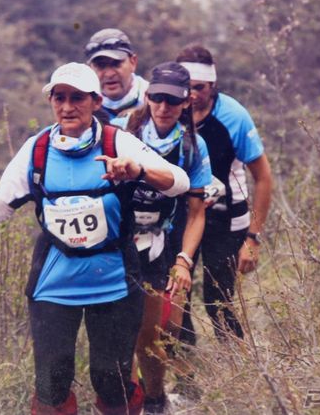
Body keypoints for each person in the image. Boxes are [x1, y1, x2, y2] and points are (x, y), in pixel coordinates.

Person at [0, 62, 190, 415]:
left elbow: (179, 182)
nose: (67, 107)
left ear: (96, 101)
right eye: (59, 98)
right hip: (54, 282)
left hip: (113, 281)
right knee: (52, 382)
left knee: (111, 379)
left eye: (77, 98)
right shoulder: (36, 149)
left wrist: (138, 170)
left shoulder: (117, 141)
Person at [112, 62, 211, 414]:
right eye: (157, 98)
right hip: (120, 239)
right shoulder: (122, 130)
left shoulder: (192, 146)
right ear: (147, 96)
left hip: (163, 239)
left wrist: (184, 260)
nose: (163, 107)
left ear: (186, 102)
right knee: (120, 330)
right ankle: (127, 400)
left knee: (159, 333)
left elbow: (196, 212)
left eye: (172, 100)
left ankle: (156, 398)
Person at [175, 44, 273, 344]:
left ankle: (238, 364)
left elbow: (263, 177)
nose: (192, 95)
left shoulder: (234, 116)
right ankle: (185, 368)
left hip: (226, 220)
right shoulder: (168, 110)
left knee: (217, 300)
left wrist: (253, 238)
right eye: (186, 87)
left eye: (200, 88)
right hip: (184, 217)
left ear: (213, 85)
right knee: (176, 297)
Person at [85, 28, 149, 118]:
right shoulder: (82, 108)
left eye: (116, 64)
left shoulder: (157, 101)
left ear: (133, 62)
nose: (109, 74)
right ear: (90, 69)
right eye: (101, 66)